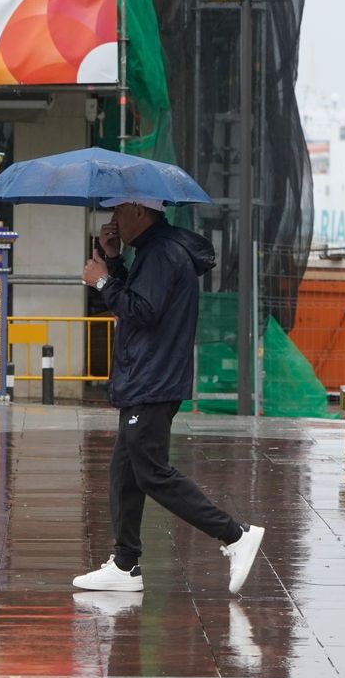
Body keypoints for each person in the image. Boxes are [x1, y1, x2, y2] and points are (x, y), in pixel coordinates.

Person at [74, 196, 265, 595]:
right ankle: (125, 565)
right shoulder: (153, 250)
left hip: (152, 377)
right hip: (146, 376)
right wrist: (114, 261)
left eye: (119, 212)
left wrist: (102, 280)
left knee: (151, 472)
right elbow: (141, 302)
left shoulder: (162, 253)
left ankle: (235, 535)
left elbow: (142, 310)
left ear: (139, 212)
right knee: (124, 474)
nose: (113, 221)